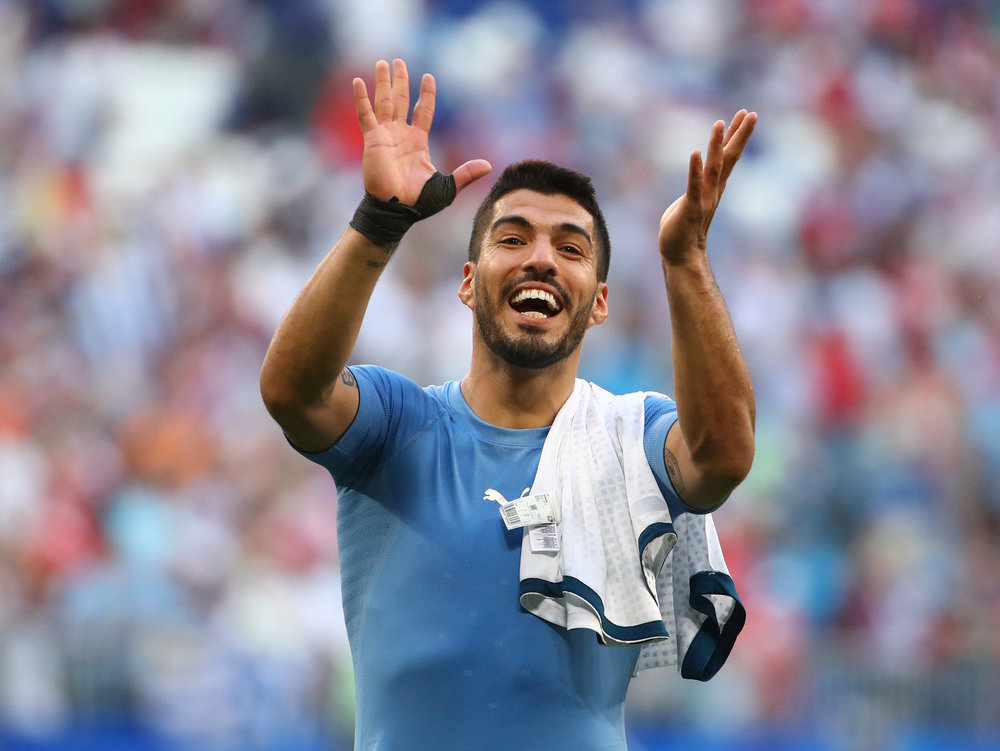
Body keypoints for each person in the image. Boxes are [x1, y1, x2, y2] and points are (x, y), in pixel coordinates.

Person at [260, 58, 756, 751]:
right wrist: (378, 223)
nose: (542, 259)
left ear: (600, 301)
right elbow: (290, 392)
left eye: (571, 247)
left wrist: (687, 263)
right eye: (513, 237)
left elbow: (722, 459)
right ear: (468, 282)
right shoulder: (398, 424)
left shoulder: (630, 435)